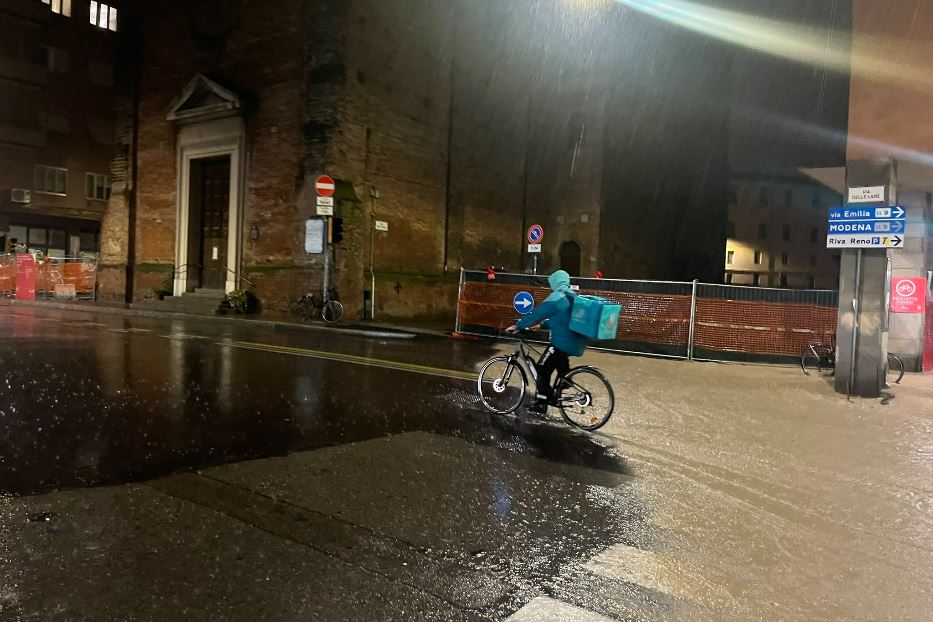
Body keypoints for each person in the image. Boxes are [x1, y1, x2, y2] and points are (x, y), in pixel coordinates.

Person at [507, 270, 586, 414]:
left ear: (555, 282)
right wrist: (542, 325)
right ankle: (563, 383)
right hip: (573, 342)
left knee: (542, 371)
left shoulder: (556, 297)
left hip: (560, 343)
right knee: (555, 369)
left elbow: (537, 313)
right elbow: (562, 320)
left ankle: (543, 401)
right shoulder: (571, 296)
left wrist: (518, 325)